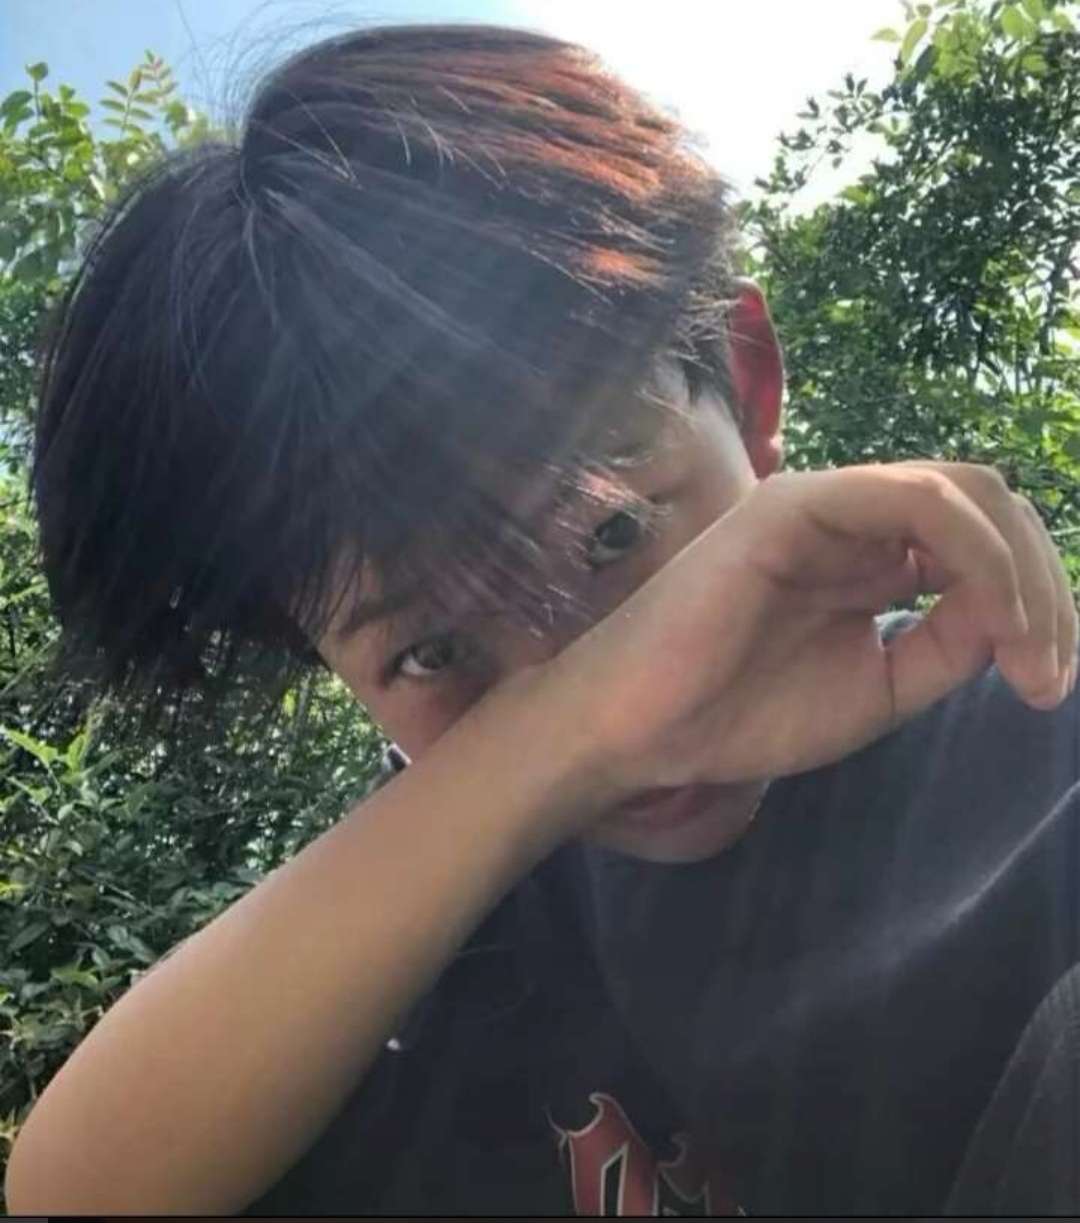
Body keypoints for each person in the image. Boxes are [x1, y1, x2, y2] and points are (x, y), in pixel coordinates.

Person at [6, 22, 1078, 1218]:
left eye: (612, 534)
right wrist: (566, 737)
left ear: (747, 380)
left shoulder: (1044, 766)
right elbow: (75, 1186)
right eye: (433, 650)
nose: (632, 700)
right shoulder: (421, 946)